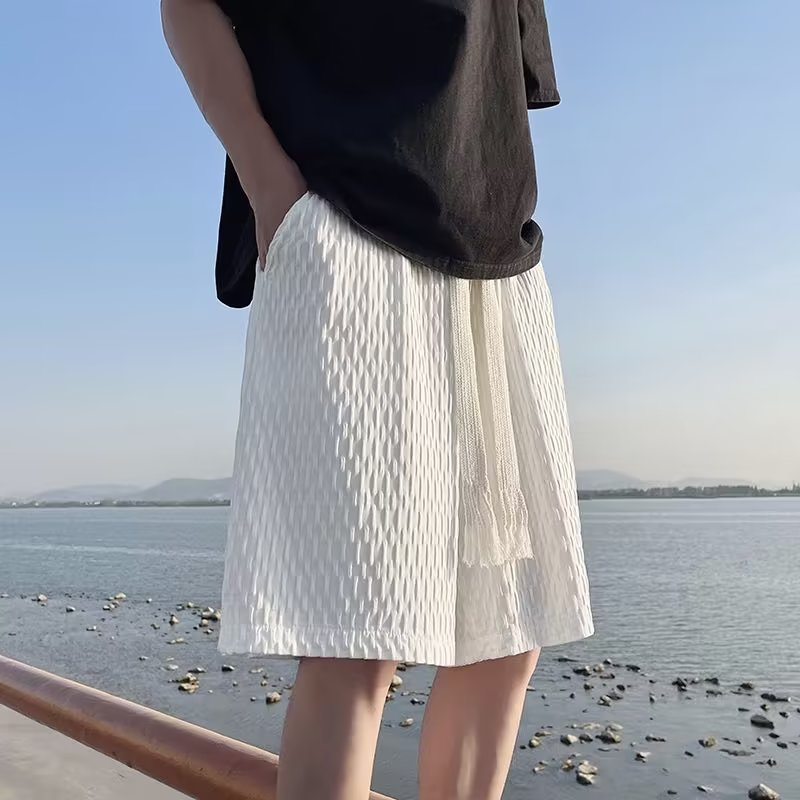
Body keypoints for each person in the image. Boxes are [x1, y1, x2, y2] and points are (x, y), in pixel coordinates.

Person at [161, 1, 594, 798]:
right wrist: (270, 184)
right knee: (356, 638)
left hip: (496, 254)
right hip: (347, 225)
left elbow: (496, 75)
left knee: (510, 633)